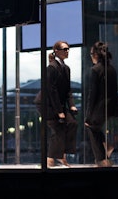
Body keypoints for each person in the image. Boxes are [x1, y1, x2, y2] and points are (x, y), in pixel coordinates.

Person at [84, 41, 118, 167]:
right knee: (95, 128)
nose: (90, 56)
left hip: (101, 106)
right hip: (112, 106)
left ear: (95, 54)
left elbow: (92, 94)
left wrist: (88, 115)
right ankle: (107, 148)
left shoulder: (95, 70)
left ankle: (101, 159)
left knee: (91, 126)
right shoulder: (112, 69)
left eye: (91, 54)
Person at [45, 40, 78, 168]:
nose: (67, 51)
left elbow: (68, 90)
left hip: (60, 104)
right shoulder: (52, 67)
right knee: (58, 130)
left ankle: (61, 155)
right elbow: (51, 91)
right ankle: (52, 159)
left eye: (68, 49)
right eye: (64, 49)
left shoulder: (66, 68)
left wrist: (72, 105)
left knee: (72, 124)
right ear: (56, 51)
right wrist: (59, 111)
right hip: (49, 104)